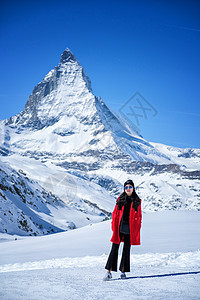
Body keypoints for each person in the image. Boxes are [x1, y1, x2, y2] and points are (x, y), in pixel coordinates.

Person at [103, 179, 142, 281]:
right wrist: (113, 226)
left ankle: (123, 272)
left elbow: (139, 216)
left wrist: (137, 229)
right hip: (119, 228)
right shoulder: (120, 199)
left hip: (130, 230)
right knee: (114, 249)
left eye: (130, 187)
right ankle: (108, 272)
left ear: (133, 188)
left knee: (126, 250)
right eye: (126, 187)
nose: (128, 189)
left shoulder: (137, 201)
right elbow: (115, 213)